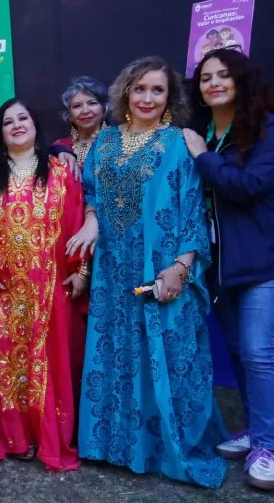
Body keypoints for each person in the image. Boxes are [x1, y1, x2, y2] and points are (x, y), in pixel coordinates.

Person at [76, 57, 227, 487]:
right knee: (115, 350)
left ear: (169, 97)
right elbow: (91, 193)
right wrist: (90, 217)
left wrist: (182, 266)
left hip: (160, 265)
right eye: (140, 88)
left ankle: (162, 447)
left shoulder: (179, 142)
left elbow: (194, 208)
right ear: (125, 92)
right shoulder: (103, 142)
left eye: (157, 90)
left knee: (162, 349)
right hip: (112, 268)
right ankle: (113, 445)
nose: (147, 98)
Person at [0, 98, 87, 470]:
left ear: (35, 124)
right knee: (9, 364)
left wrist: (82, 272)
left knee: (51, 363)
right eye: (8, 121)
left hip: (52, 288)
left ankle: (50, 437)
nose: (16, 125)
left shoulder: (62, 172)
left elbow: (79, 223)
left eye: (23, 118)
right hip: (6, 290)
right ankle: (16, 436)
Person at [183, 50, 274, 491]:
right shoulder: (204, 132)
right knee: (238, 351)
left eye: (222, 75)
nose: (213, 83)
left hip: (260, 262)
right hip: (220, 264)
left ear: (240, 80)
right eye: (205, 78)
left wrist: (203, 157)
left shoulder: (264, 130)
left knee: (258, 353)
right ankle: (258, 432)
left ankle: (270, 445)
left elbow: (248, 186)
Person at [54, 76, 109, 169]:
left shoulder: (118, 141)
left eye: (92, 103)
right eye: (77, 106)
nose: (85, 111)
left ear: (104, 109)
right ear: (69, 115)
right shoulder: (60, 147)